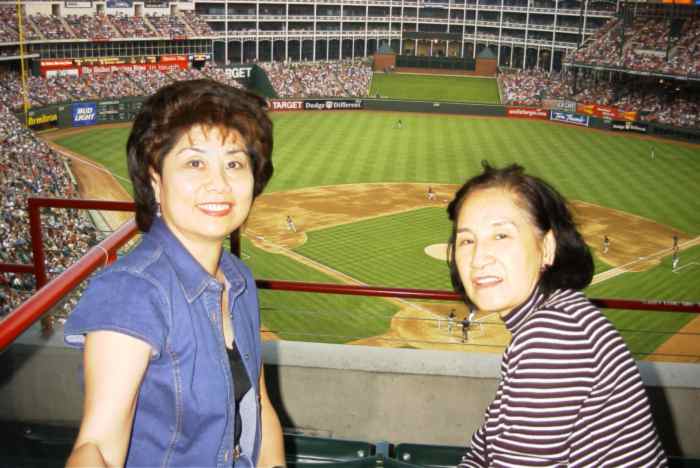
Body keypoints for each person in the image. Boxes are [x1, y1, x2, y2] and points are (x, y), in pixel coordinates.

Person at [64, 80, 286, 467]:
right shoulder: (132, 292)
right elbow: (96, 446)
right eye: (194, 162)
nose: (219, 184)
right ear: (155, 179)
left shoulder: (237, 279)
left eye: (234, 163)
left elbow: (259, 405)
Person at [447, 161, 667, 467]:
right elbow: (484, 449)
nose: (478, 257)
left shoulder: (556, 333)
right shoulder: (552, 317)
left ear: (547, 247)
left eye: (500, 236)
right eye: (467, 240)